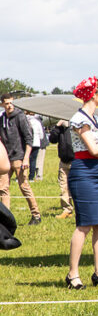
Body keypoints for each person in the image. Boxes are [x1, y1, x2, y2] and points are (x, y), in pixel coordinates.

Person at [65, 77, 98, 289]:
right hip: (84, 172)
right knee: (84, 224)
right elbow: (93, 149)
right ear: (92, 94)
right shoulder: (79, 119)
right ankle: (73, 274)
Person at [0, 94, 42, 225]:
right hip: (6, 159)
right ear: (2, 104)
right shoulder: (2, 119)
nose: (9, 105)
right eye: (7, 103)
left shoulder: (20, 116)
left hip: (19, 157)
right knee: (3, 188)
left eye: (11, 103)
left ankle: (36, 215)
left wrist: (26, 159)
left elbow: (28, 139)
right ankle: (6, 219)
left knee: (24, 186)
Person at [49, 120, 76, 219]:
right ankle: (67, 209)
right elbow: (52, 139)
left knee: (76, 187)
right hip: (63, 161)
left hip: (75, 161)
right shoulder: (60, 128)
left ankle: (79, 209)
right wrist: (57, 126)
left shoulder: (76, 125)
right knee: (63, 186)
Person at [27, 113, 45, 180]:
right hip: (36, 143)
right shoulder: (38, 122)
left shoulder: (26, 121)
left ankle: (21, 176)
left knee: (25, 159)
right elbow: (41, 135)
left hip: (27, 143)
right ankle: (31, 177)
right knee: (33, 160)